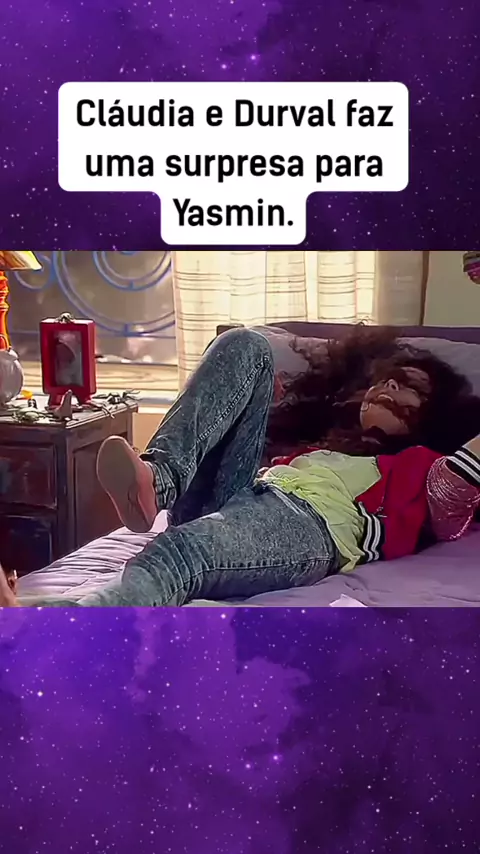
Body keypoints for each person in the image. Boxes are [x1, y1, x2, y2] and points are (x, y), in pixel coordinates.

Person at [2, 326, 480, 609]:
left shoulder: (425, 468)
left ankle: (38, 626)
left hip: (310, 524)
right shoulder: (319, 446)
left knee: (175, 556)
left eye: (409, 388)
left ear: (433, 416)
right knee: (245, 344)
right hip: (247, 497)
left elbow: (457, 488)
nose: (389, 388)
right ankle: (158, 480)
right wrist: (253, 398)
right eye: (387, 381)